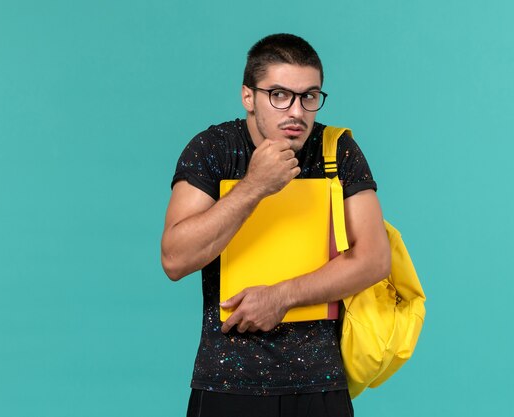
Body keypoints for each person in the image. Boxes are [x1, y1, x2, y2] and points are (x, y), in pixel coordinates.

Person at [161, 33, 391, 417]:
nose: (297, 112)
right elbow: (175, 259)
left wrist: (280, 298)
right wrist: (255, 186)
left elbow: (374, 259)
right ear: (248, 96)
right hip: (227, 383)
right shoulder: (213, 149)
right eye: (279, 95)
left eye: (309, 96)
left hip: (321, 385)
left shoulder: (338, 152)